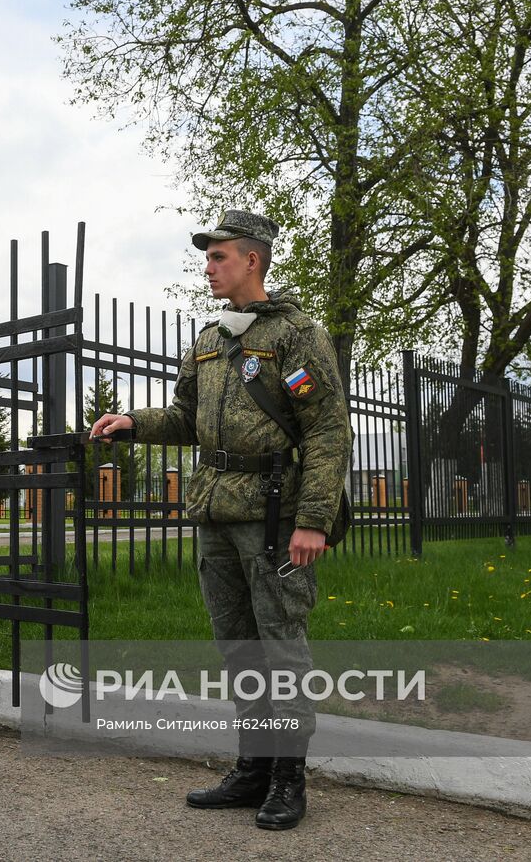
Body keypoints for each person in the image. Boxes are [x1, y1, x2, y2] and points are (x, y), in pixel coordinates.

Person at [89, 209, 352, 831]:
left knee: (280, 645)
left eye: (218, 257)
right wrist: (134, 423)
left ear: (252, 261)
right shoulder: (209, 341)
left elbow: (326, 429)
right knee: (237, 646)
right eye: (207, 257)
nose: (207, 268)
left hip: (273, 515)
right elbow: (186, 418)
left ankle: (289, 777)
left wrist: (312, 519)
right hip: (213, 510)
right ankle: (253, 765)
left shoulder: (295, 336)